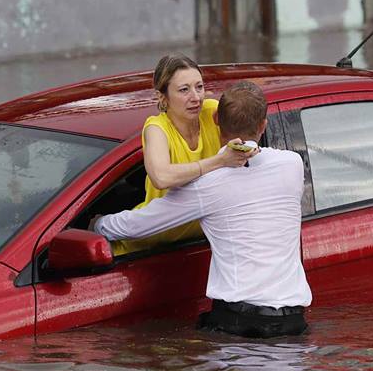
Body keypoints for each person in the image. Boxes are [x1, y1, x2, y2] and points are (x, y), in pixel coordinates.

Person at [94, 81, 312, 338]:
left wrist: (97, 223)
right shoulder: (293, 164)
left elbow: (139, 224)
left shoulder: (207, 186)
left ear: (216, 119)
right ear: (263, 125)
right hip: (294, 324)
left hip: (238, 323)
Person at [113, 54, 254, 255]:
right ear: (162, 97)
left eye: (199, 86)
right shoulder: (157, 128)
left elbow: (249, 136)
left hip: (200, 245)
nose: (196, 97)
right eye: (184, 90)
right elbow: (161, 177)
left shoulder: (213, 112)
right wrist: (220, 160)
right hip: (145, 247)